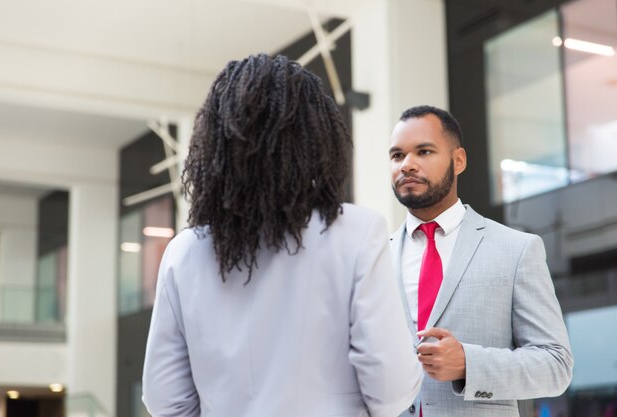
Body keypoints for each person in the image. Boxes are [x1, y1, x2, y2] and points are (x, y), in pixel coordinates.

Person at [141, 54, 422, 417]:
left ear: (217, 143)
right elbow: (391, 388)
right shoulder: (357, 232)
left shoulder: (184, 252)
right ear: (317, 138)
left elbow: (165, 399)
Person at [387, 105, 573, 417]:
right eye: (397, 155)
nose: (407, 165)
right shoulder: (376, 256)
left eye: (424, 151)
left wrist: (468, 364)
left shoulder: (516, 249)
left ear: (458, 160)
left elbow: (556, 365)